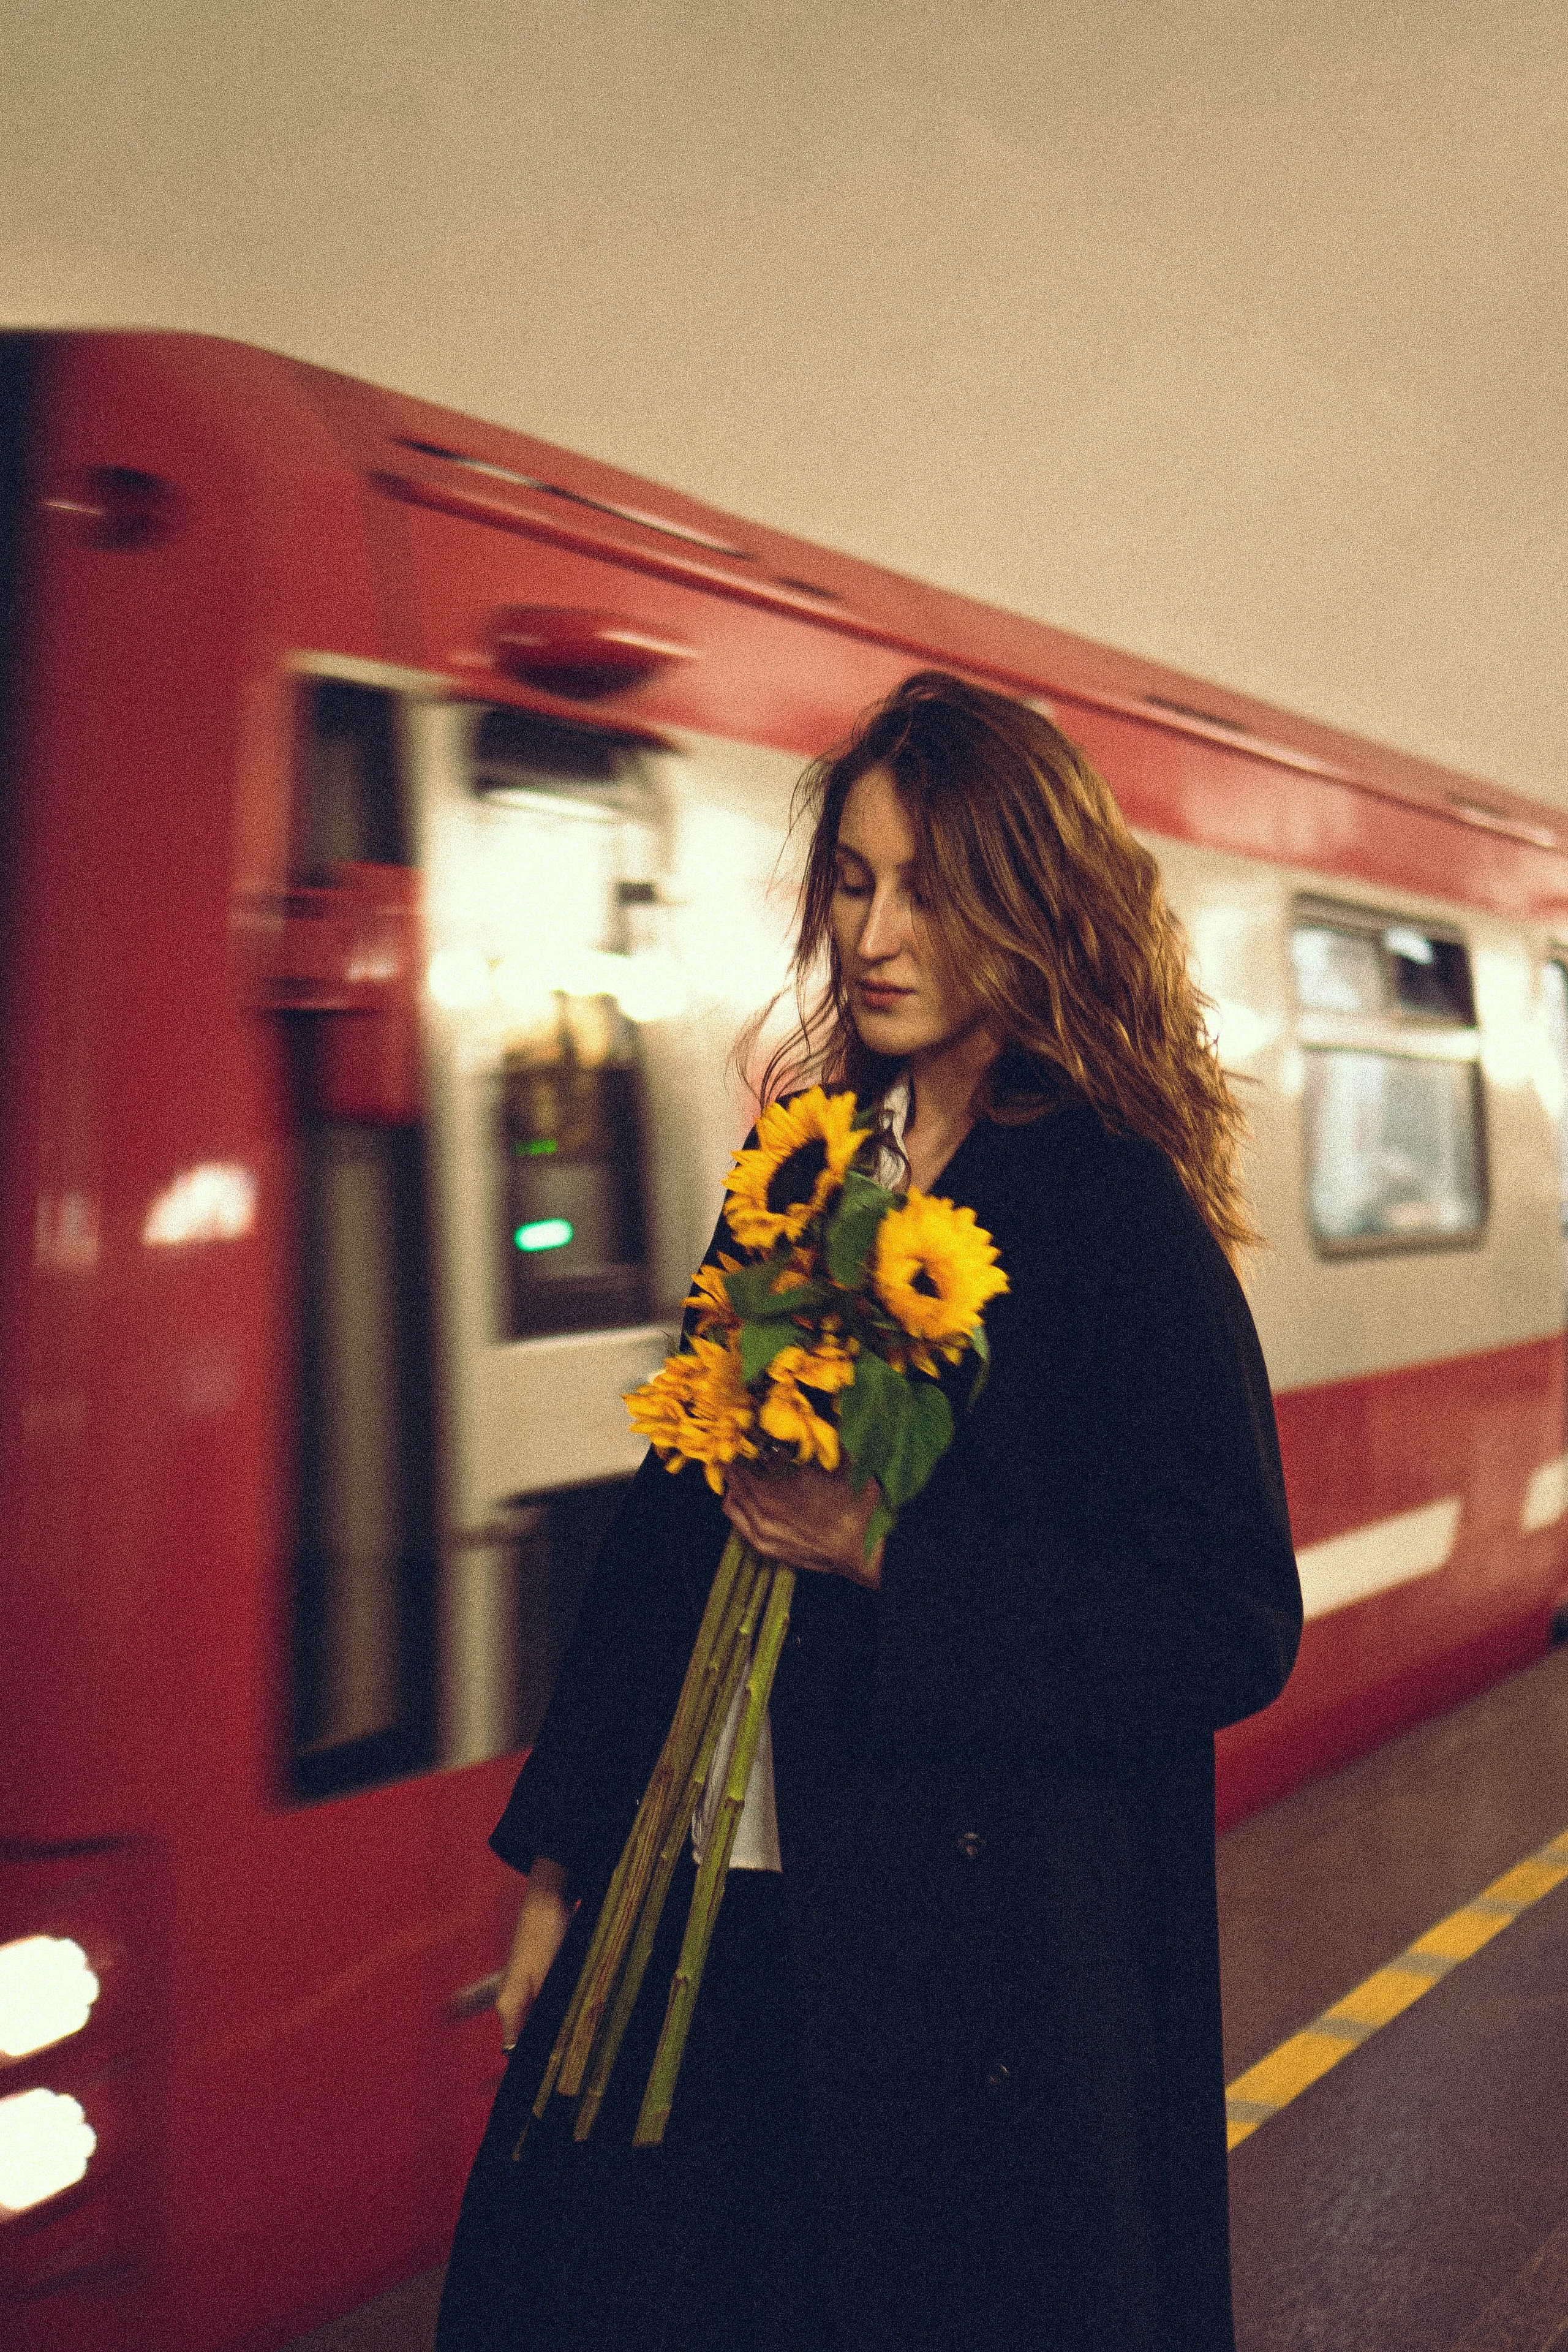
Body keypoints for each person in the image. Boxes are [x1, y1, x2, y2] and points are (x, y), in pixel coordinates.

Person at [435, 670, 1302, 2352]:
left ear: (1032, 908)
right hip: (709, 1902)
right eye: (853, 880)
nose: (878, 930)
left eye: (930, 886)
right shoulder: (805, 1171)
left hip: (959, 1970)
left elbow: (1227, 1616)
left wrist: (887, 1550)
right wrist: (565, 1856)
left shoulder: (1116, 1212)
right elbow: (671, 1528)